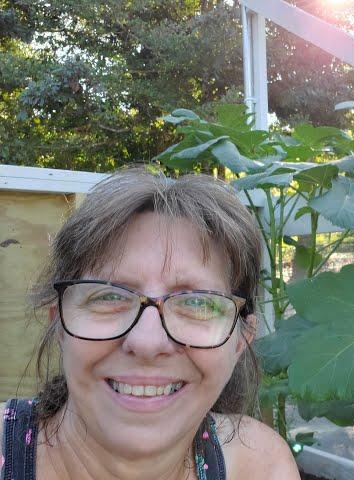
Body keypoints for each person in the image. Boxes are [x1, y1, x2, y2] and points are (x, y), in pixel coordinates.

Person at [0, 167, 300, 480]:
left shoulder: (261, 466)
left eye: (197, 302)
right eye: (107, 297)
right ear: (60, 324)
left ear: (241, 340)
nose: (147, 342)